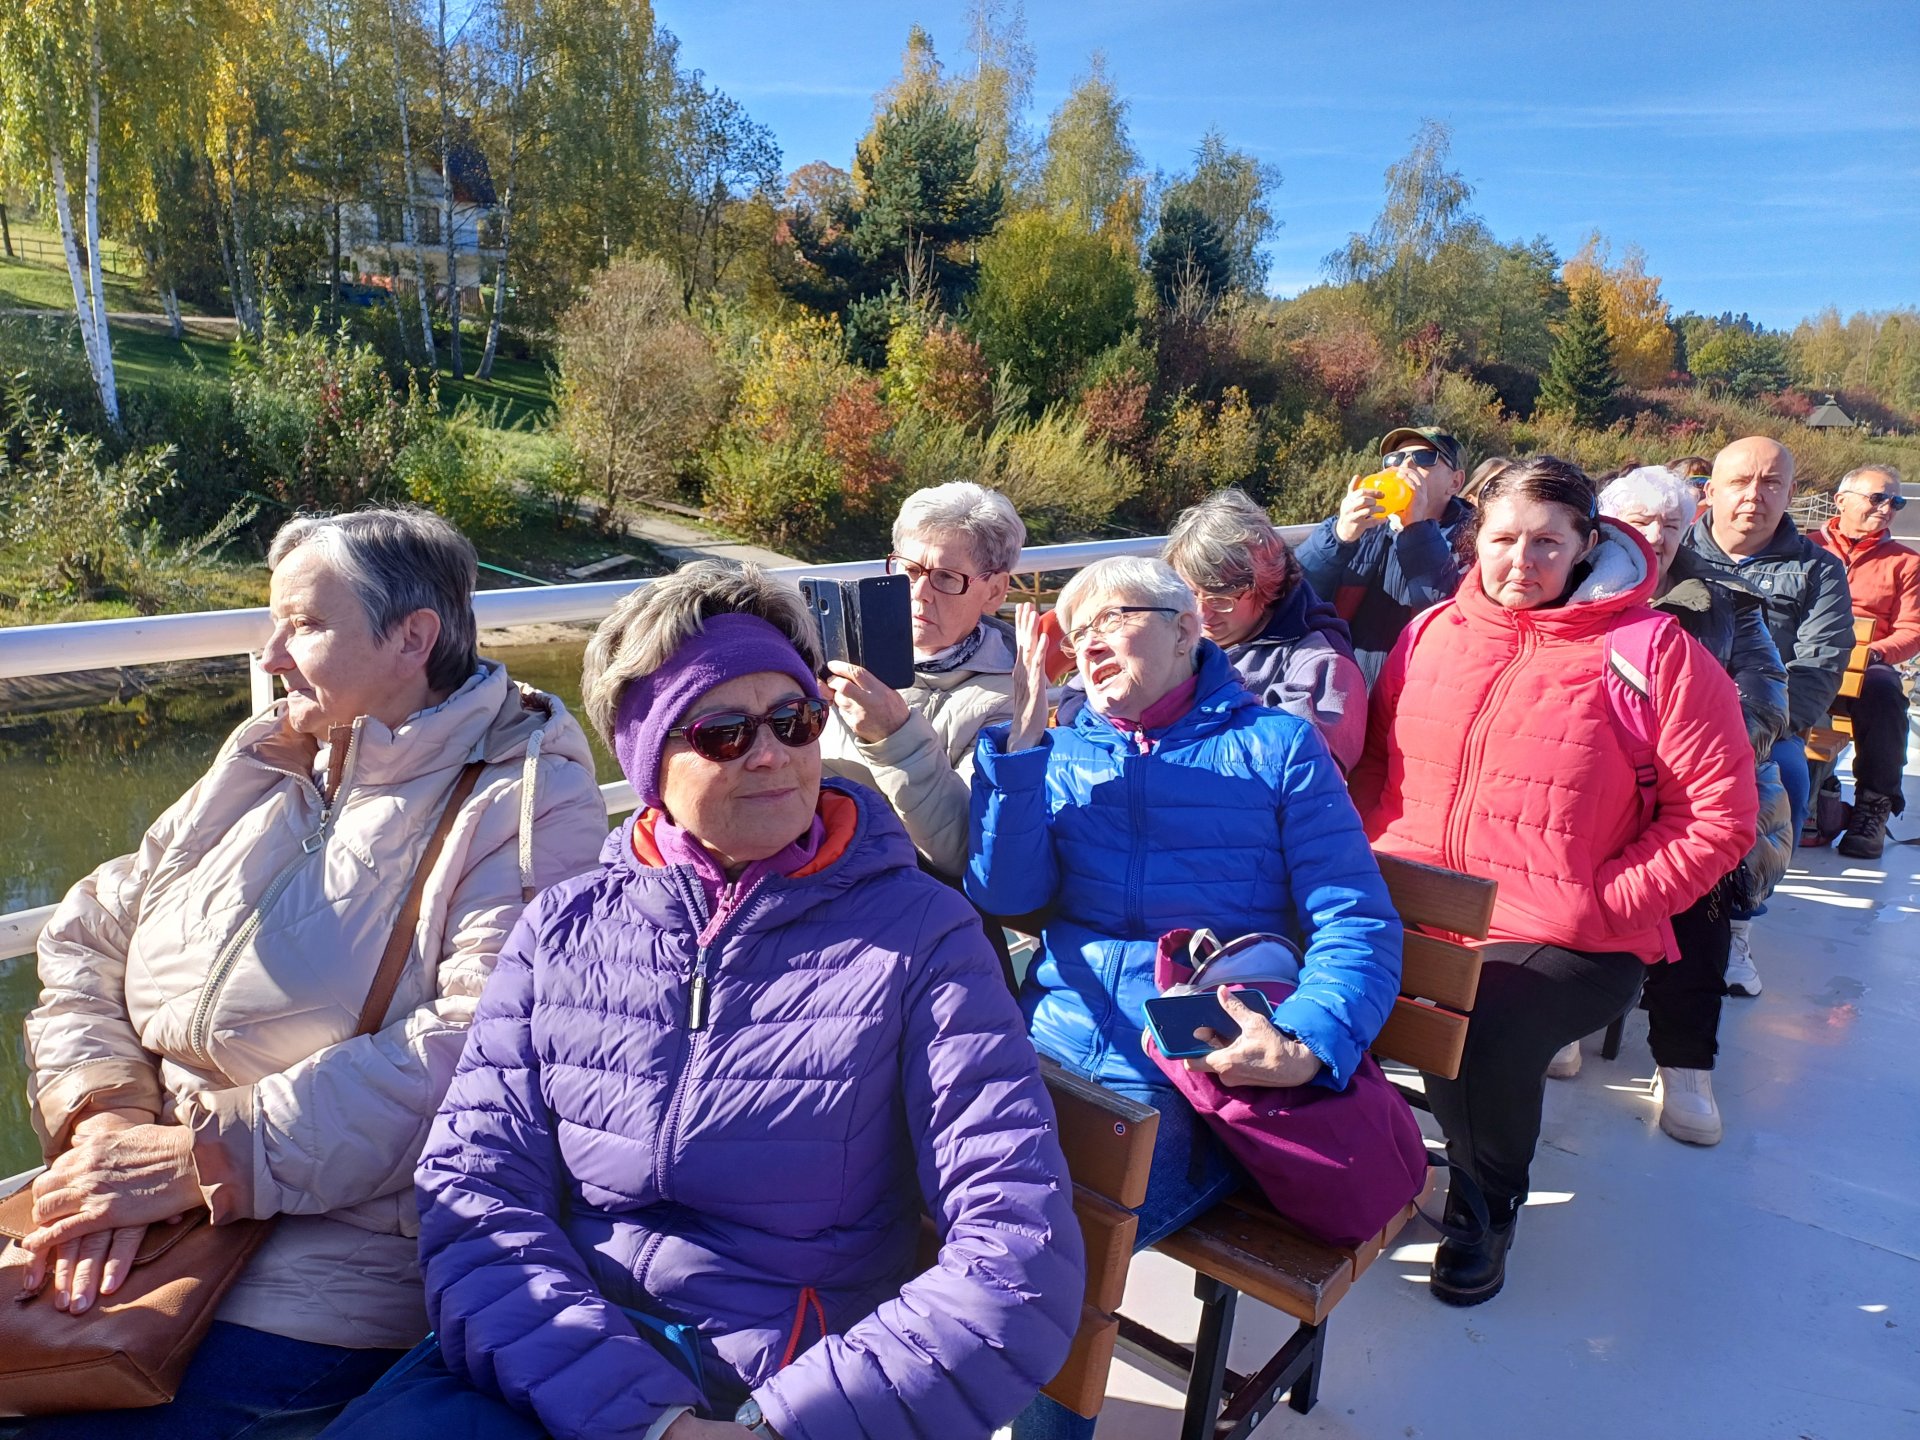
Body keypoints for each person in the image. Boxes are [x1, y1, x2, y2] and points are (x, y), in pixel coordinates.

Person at [326, 561, 1083, 1440]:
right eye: (723, 732)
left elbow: (1016, 1246)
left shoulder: (921, 936)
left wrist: (783, 1424)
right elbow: (475, 1189)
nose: (771, 754)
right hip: (557, 1356)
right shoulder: (564, 928)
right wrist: (642, 1417)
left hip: (782, 1389)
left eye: (796, 720)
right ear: (648, 763)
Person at [12, 509, 609, 1438]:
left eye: (304, 625)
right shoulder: (266, 757)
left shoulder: (523, 797)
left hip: (326, 1263)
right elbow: (86, 939)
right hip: (132, 1195)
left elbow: (477, 1047)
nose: (272, 656)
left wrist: (205, 1160)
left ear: (413, 637)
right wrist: (108, 1122)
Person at [967, 556, 1403, 1439]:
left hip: (1190, 1074)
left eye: (1111, 617)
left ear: (1185, 629)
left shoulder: (1275, 748)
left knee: (1053, 1263)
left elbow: (1356, 918)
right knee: (915, 1185)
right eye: (1074, 628)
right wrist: (1021, 743)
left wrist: (1306, 1038)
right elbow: (1007, 896)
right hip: (1048, 1041)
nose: (1088, 639)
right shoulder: (1058, 744)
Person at [1353, 457, 1756, 1304]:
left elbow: (1718, 818)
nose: (1521, 561)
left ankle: (1484, 1205)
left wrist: (1601, 904)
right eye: (1503, 539)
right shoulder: (1431, 635)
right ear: (1474, 541)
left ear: (1586, 544)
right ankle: (1338, 1162)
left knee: (1480, 1025)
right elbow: (1378, 766)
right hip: (1410, 901)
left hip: (1565, 934)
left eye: (1547, 542)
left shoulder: (1652, 654)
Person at [1587, 467, 1791, 1145]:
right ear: (1606, 525)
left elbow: (1765, 697)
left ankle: (1685, 1062)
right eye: (1640, 521)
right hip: (1588, 785)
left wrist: (1687, 760)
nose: (1656, 535)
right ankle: (1561, 1020)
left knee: (1698, 880)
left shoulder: (1726, 602)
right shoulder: (1571, 588)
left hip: (1688, 786)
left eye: (1671, 524)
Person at [1681, 436, 1854, 995]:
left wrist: (1752, 732)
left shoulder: (1818, 571)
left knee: (1788, 775)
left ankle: (1738, 923)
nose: (1754, 494)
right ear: (1711, 490)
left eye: (1771, 483)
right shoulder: (1674, 552)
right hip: (1670, 717)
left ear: (1791, 492)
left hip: (1765, 726)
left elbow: (1819, 665)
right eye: (1739, 481)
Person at [821, 481, 1022, 877]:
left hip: (896, 889)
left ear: (994, 591)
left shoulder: (1011, 700)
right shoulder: (836, 651)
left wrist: (894, 736)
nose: (919, 593)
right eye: (910, 571)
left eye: (946, 577)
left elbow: (963, 851)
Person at [1162, 488, 1366, 770]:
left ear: (1267, 587)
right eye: (1190, 593)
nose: (1201, 614)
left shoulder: (1322, 665)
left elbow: (1305, 773)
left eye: (1220, 600)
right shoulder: (1174, 625)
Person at [1297, 425, 1474, 685]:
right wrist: (1338, 536)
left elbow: (1447, 616)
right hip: (1344, 683)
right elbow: (1298, 592)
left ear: (1455, 483)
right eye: (1395, 459)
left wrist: (1416, 530)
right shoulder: (1365, 527)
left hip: (1416, 687)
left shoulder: (1474, 539)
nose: (1404, 467)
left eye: (1424, 458)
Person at [1810, 465, 1919, 859]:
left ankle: (1874, 805)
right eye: (1877, 498)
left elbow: (1912, 629)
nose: (1887, 508)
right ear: (1841, 500)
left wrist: (1873, 652)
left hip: (1865, 662)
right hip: (1802, 656)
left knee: (1884, 691)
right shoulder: (1805, 547)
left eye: (1896, 501)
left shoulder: (1906, 562)